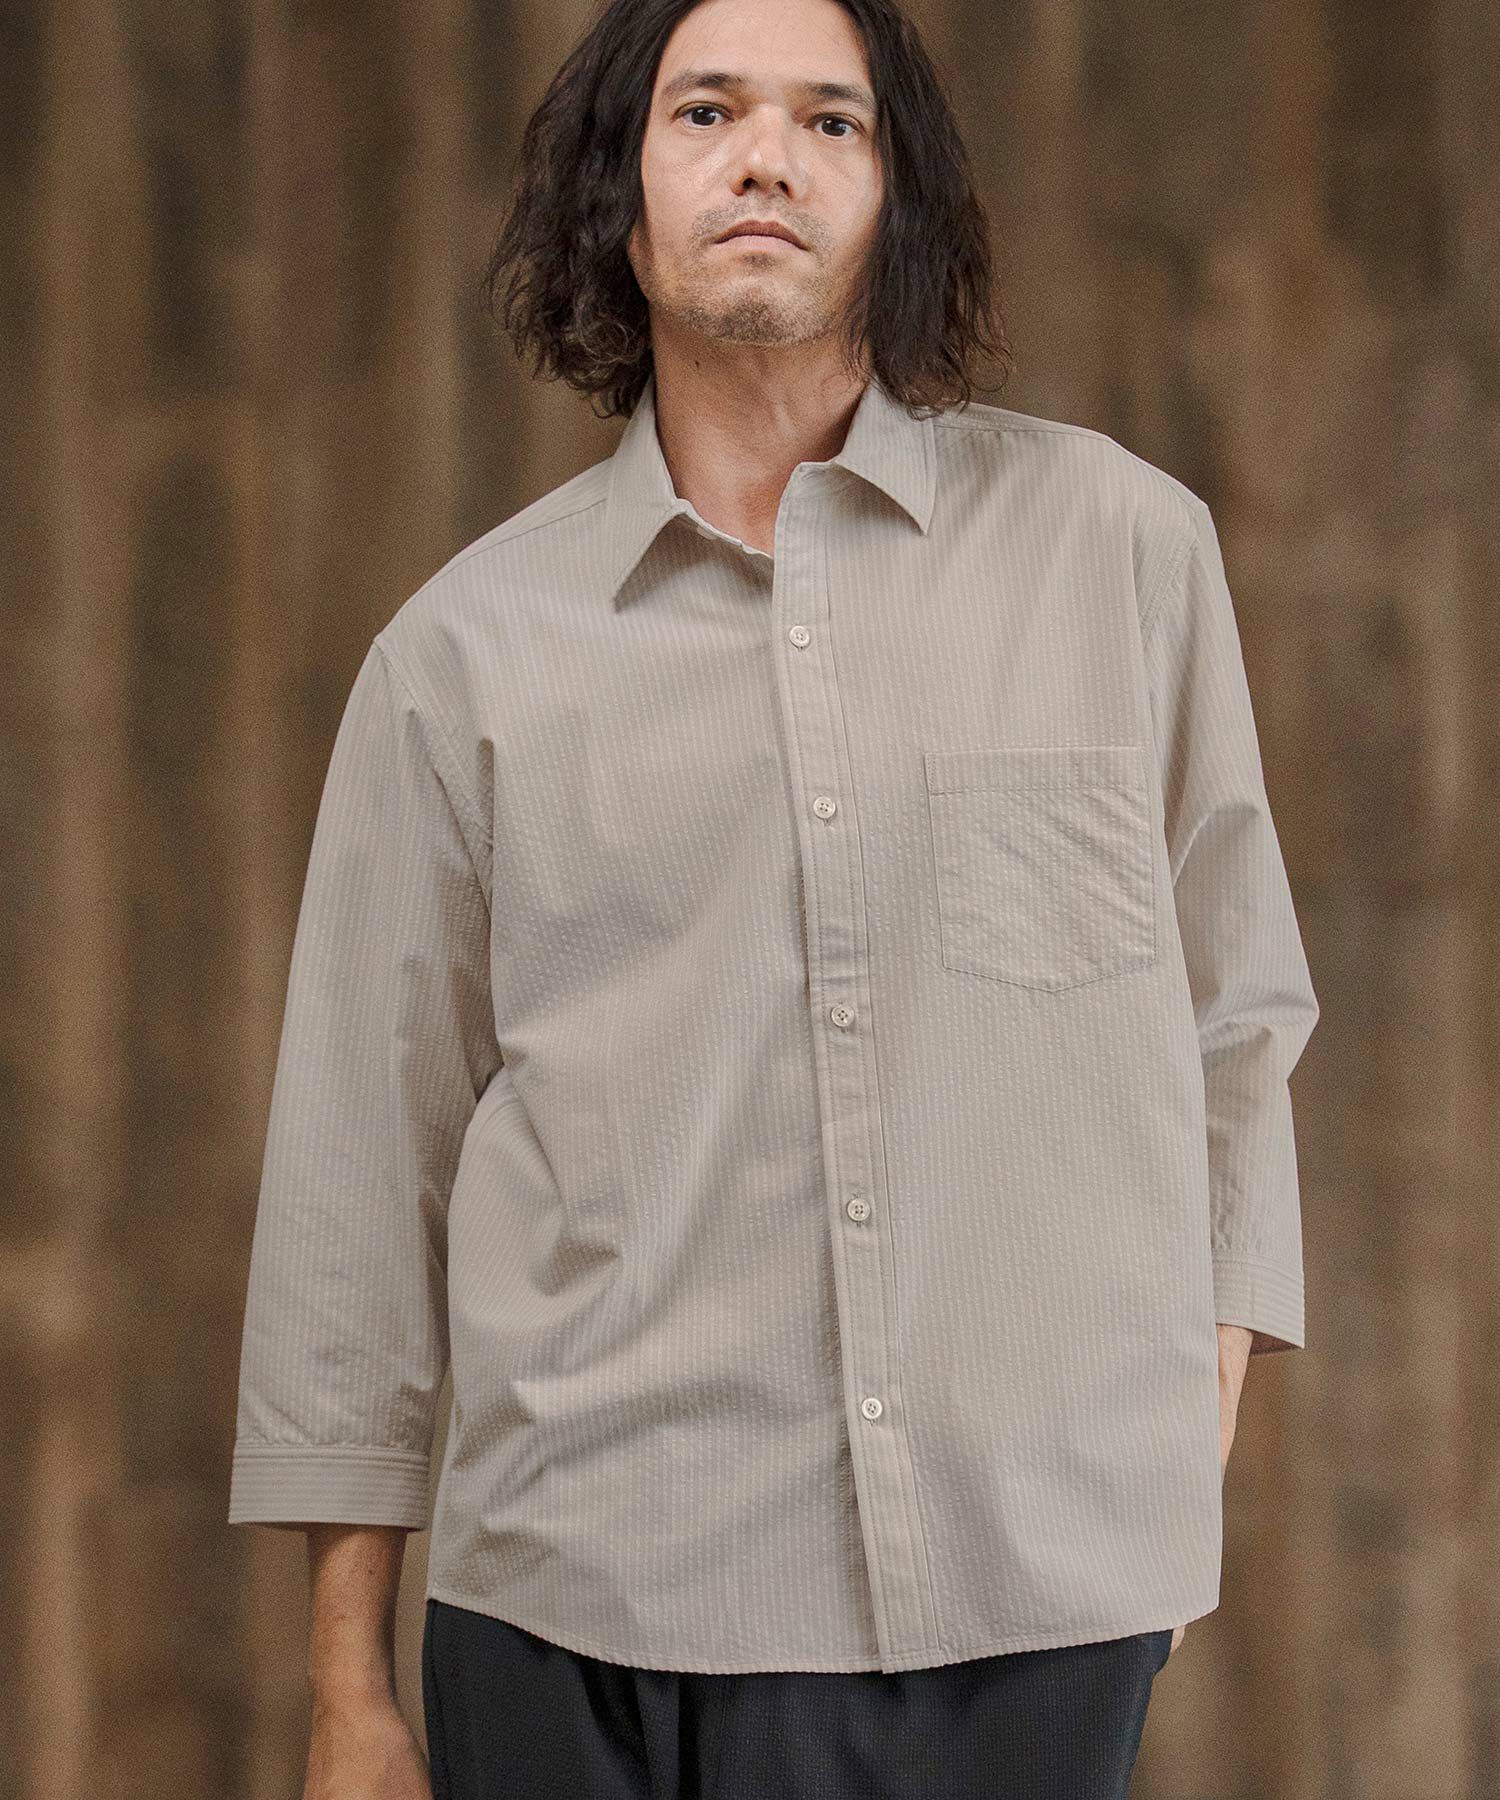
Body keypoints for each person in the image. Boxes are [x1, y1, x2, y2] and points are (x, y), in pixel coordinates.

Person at [228, 0, 1320, 1791]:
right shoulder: (462, 655)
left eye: (832, 122)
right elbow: (364, 1163)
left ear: (901, 196)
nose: (767, 160)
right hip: (580, 1607)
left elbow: (1237, 1011)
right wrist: (347, 1687)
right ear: (619, 192)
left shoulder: (1121, 549)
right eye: (707, 111)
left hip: (1023, 1604)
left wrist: (1185, 1424)